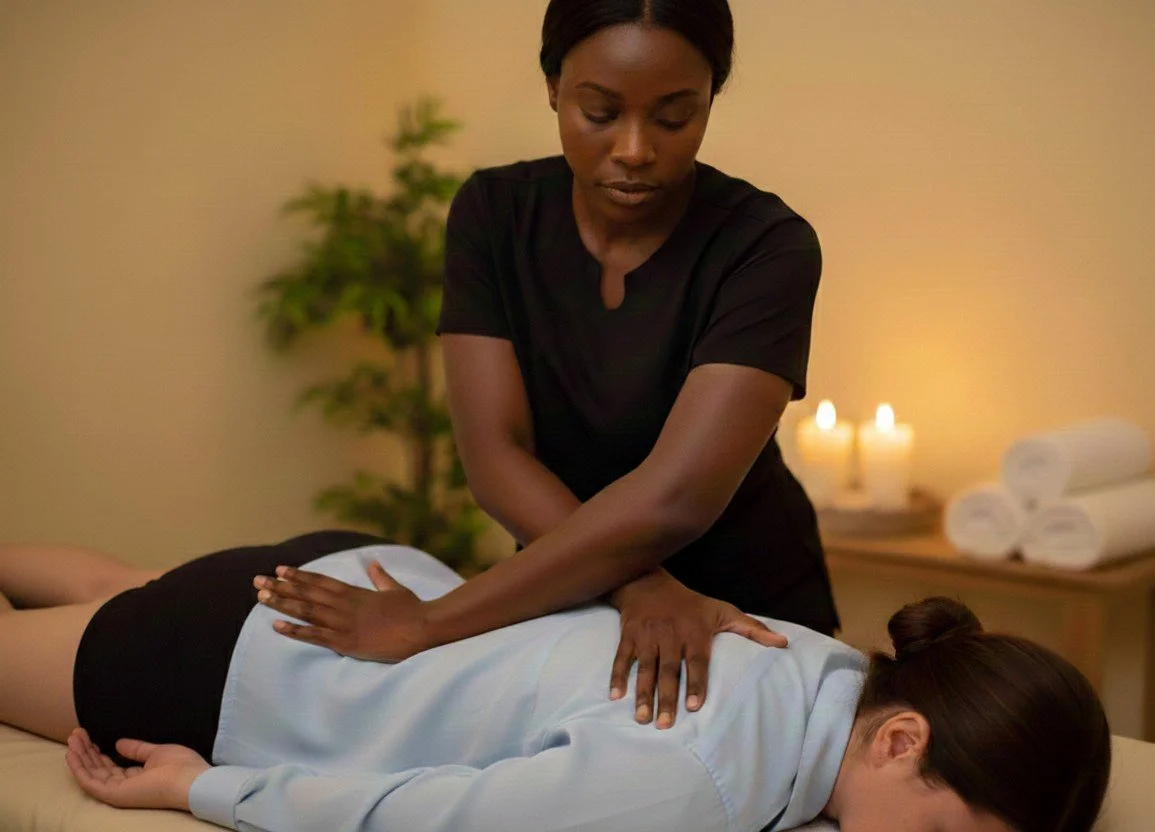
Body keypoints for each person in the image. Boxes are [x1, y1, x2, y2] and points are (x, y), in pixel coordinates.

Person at [254, 0, 840, 734]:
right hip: (566, 595)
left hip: (750, 603)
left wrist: (429, 624)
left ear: (711, 98)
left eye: (672, 117)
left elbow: (677, 495)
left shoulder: (766, 246)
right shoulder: (494, 213)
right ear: (553, 88)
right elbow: (495, 455)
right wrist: (639, 586)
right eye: (599, 112)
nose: (633, 148)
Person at [0, 535, 1110, 832]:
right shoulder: (701, 780)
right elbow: (424, 818)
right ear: (904, 741)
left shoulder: (817, 658)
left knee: (118, 582)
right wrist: (202, 789)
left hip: (364, 581)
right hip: (253, 672)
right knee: (89, 621)